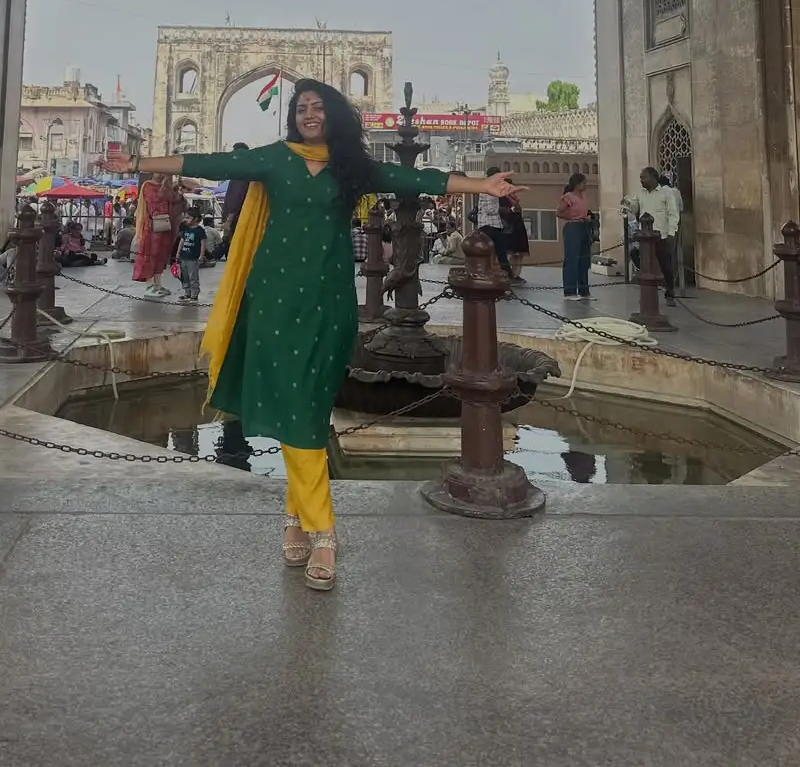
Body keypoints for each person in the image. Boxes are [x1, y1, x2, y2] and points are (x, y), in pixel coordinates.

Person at [107, 78, 518, 592]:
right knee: (294, 409)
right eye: (301, 108)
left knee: (309, 408)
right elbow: (209, 163)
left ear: (334, 116)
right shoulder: (274, 159)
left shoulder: (352, 168)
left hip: (328, 302)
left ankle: (297, 518)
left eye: (318, 107)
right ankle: (321, 529)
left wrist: (482, 186)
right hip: (274, 300)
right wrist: (138, 166)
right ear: (292, 116)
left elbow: (413, 179)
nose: (308, 114)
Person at [623, 167, 680, 302]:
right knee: (643, 263)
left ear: (653, 178)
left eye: (644, 177)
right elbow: (635, 207)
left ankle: (670, 292)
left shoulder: (666, 193)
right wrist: (628, 204)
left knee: (665, 264)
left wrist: (672, 232)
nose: (642, 181)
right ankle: (647, 294)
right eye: (641, 178)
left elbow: (673, 214)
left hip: (662, 235)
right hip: (645, 237)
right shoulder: (641, 194)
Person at [133, 173, 185, 297]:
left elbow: (174, 200)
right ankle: (149, 285)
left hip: (165, 225)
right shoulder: (148, 186)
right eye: (158, 172)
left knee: (161, 256)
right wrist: (166, 185)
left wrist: (179, 190)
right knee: (150, 255)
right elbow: (156, 199)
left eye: (163, 172)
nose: (161, 175)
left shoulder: (167, 187)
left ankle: (158, 284)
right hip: (152, 227)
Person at [558, 173, 593, 298]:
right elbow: (559, 212)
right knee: (572, 259)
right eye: (583, 183)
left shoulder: (583, 196)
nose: (585, 185)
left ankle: (584, 290)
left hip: (584, 227)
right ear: (577, 184)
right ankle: (570, 291)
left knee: (584, 259)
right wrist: (572, 217)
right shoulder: (568, 197)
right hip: (573, 227)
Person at [218, 143, 252, 258]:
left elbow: (237, 198)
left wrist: (229, 219)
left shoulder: (241, 174)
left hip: (236, 218)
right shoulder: (244, 172)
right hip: (237, 217)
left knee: (235, 249)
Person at [477, 187, 512, 279]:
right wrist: (502, 209)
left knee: (497, 252)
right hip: (490, 225)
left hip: (492, 225)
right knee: (499, 251)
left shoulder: (487, 191)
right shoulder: (490, 192)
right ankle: (506, 274)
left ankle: (505, 273)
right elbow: (491, 209)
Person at [174, 207, 207, 304]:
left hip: (193, 258)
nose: (185, 220)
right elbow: (182, 241)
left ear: (196, 218)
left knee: (193, 276)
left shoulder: (200, 230)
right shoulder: (185, 229)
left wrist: (201, 255)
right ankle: (187, 292)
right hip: (184, 257)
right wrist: (178, 253)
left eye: (188, 217)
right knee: (184, 276)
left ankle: (194, 294)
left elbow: (203, 243)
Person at [501, 193, 530, 284]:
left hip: (518, 228)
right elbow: (502, 211)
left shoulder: (513, 198)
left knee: (518, 254)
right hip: (507, 229)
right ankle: (507, 274)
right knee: (507, 253)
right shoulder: (500, 198)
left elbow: (518, 211)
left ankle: (515, 274)